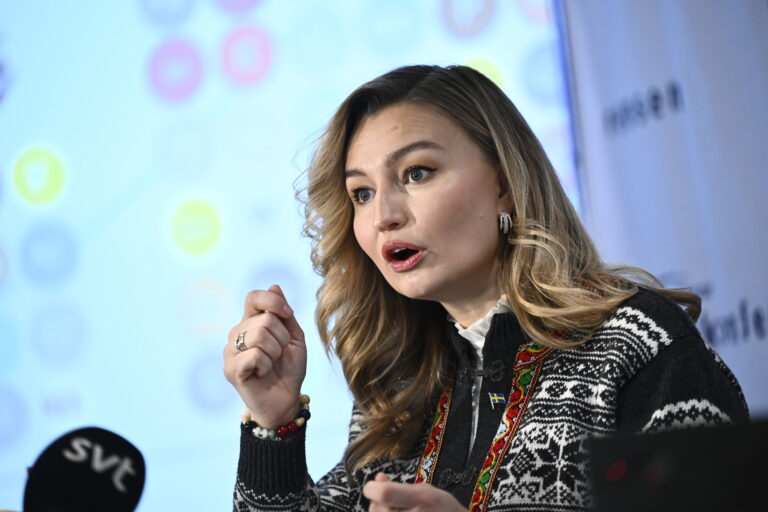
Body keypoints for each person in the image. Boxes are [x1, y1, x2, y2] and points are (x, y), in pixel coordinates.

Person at [222, 65, 748, 512]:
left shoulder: (637, 343)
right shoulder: (399, 387)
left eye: (417, 173)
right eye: (361, 193)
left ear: (504, 185)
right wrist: (273, 421)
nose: (383, 215)